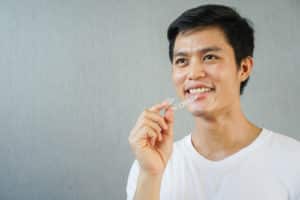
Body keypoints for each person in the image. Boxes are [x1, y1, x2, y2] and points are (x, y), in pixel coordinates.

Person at [127, 4, 300, 200]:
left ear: (243, 68)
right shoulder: (150, 166)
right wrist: (150, 176)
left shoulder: (293, 162)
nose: (193, 74)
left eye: (209, 57)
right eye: (182, 61)